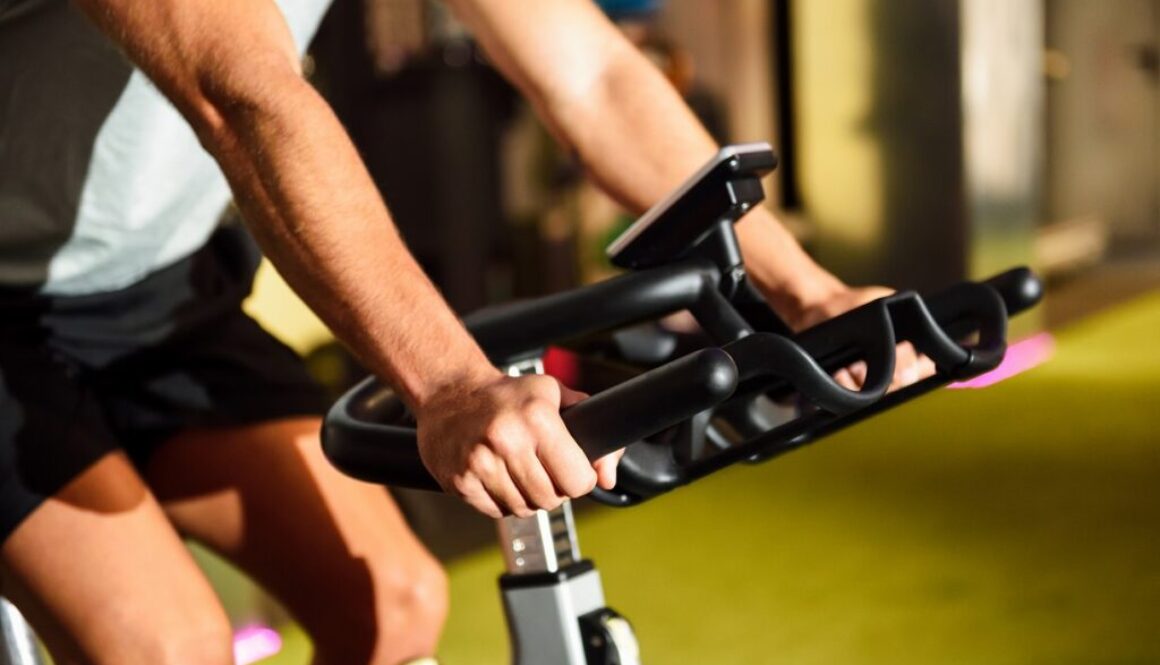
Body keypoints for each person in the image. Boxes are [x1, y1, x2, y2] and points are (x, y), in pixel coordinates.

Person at [0, 0, 929, 663]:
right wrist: (449, 382)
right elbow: (241, 97)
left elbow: (595, 75)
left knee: (395, 605)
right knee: (166, 646)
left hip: (152, 291)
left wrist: (806, 292)